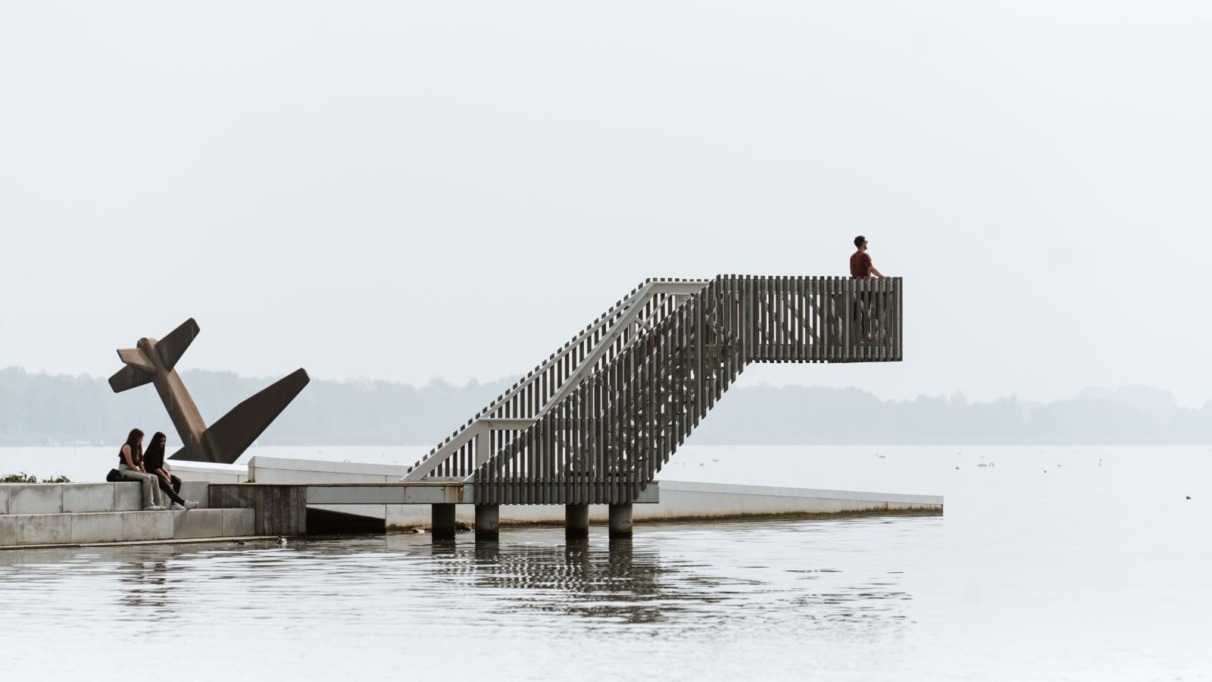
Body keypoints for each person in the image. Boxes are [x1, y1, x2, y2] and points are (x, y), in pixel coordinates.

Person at [143, 432, 199, 510]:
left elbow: (160, 465)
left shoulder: (160, 451)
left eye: (164, 441)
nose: (162, 443)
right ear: (156, 441)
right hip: (153, 475)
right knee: (167, 485)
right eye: (161, 441)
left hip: (159, 473)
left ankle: (174, 503)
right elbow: (155, 468)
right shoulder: (151, 451)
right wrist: (165, 477)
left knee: (178, 481)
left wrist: (167, 473)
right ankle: (184, 503)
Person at [116, 428, 165, 511]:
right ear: (135, 438)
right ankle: (148, 504)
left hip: (132, 470)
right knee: (146, 478)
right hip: (124, 470)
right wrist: (142, 474)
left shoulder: (138, 448)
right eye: (140, 438)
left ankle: (158, 502)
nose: (141, 441)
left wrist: (145, 472)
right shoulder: (127, 446)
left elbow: (140, 463)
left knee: (154, 477)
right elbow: (130, 464)